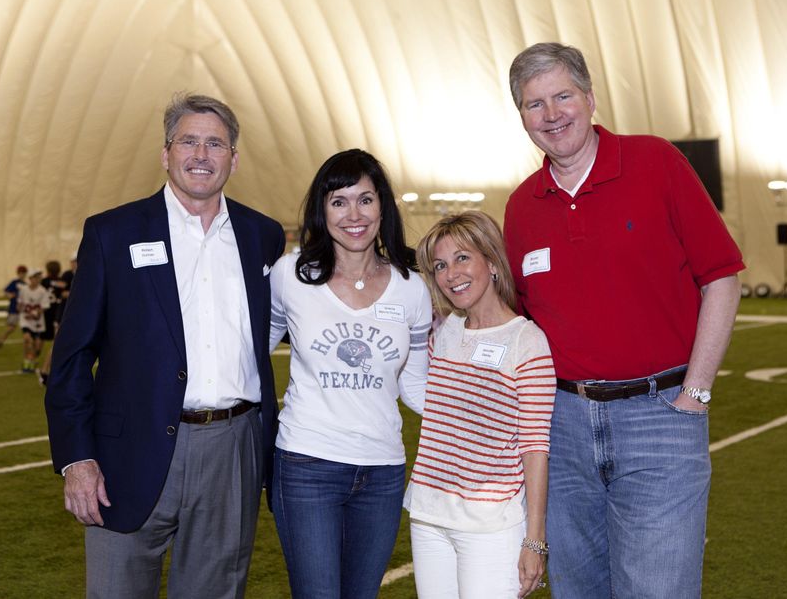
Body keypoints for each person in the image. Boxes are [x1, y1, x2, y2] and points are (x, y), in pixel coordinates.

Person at [503, 42, 744, 598]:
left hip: (660, 415)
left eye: (563, 96)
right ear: (522, 117)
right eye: (534, 104)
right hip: (561, 428)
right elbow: (519, 323)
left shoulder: (656, 162)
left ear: (590, 98)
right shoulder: (521, 207)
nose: (552, 114)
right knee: (578, 589)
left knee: (659, 589)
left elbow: (722, 277)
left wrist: (696, 394)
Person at [44, 93, 285, 598]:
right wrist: (76, 460)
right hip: (125, 455)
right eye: (189, 141)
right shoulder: (113, 233)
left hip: (231, 448)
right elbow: (70, 358)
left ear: (234, 158)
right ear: (166, 153)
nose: (202, 154)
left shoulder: (260, 235)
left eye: (215, 143)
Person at [268, 148, 431, 599]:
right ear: (322, 211)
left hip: (381, 472)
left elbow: (414, 383)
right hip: (306, 466)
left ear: (383, 206)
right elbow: (250, 353)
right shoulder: (290, 275)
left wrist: (477, 405)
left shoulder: (412, 287)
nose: (353, 214)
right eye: (339, 201)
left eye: (365, 199)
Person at [404, 210, 555, 599]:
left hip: (490, 526)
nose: (451, 274)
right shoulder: (445, 330)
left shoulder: (527, 342)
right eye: (440, 265)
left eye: (462, 258)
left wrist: (534, 540)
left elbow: (535, 445)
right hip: (429, 515)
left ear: (491, 261)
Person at [38, 255, 77, 386]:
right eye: (74, 261)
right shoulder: (67, 275)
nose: (75, 263)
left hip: (72, 314)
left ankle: (62, 372)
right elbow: (63, 292)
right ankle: (44, 371)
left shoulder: (80, 274)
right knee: (57, 344)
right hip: (62, 314)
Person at [16, 269, 50, 374]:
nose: (37, 279)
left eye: (38, 277)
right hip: (26, 320)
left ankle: (32, 360)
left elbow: (45, 306)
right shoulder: (24, 290)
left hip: (37, 322)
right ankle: (26, 361)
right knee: (27, 339)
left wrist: (36, 313)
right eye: (35, 277)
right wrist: (20, 308)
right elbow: (20, 303)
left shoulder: (42, 291)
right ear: (30, 279)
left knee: (37, 346)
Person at [0, 265, 28, 348]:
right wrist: (9, 295)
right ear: (18, 273)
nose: (22, 275)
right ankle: (1, 339)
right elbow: (6, 291)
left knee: (26, 328)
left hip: (23, 309)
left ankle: (27, 343)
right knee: (11, 328)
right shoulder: (15, 282)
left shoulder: (25, 285)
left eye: (23, 273)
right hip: (14, 308)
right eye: (20, 273)